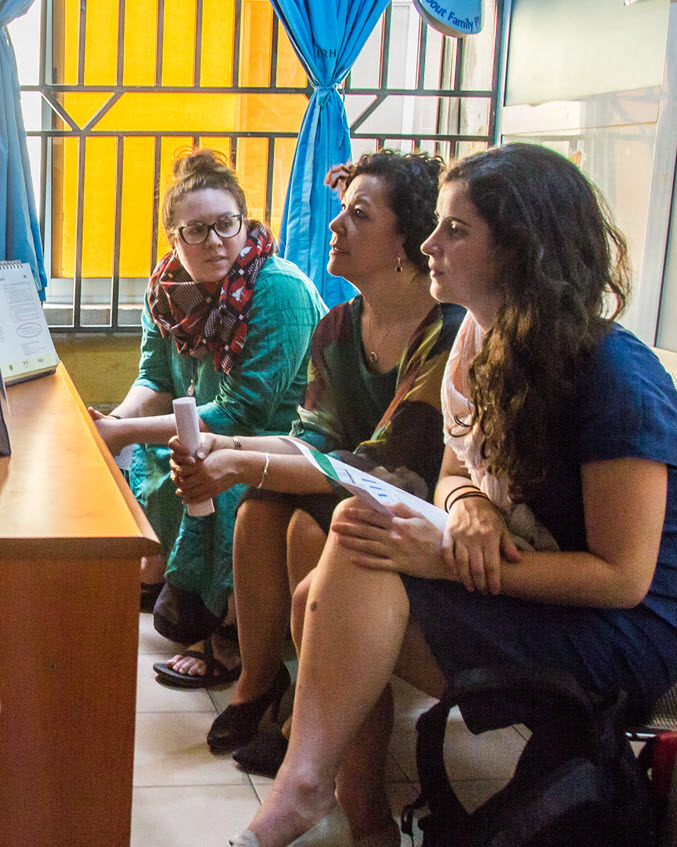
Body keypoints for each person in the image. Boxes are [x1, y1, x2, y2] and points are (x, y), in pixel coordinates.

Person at [177, 142, 677, 847]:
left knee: (360, 558)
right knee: (343, 560)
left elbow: (624, 579)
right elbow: (459, 468)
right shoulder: (479, 340)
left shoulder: (616, 374)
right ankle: (353, 817)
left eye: (454, 230)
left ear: (522, 249)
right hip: (531, 575)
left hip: (622, 629)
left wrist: (448, 555)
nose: (429, 244)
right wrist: (469, 507)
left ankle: (306, 805)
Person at [166, 151, 464, 771]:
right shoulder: (335, 329)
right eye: (341, 211)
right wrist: (227, 453)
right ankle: (256, 681)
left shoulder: (449, 332)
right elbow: (313, 439)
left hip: (411, 506)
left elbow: (387, 467)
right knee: (256, 509)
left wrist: (241, 459)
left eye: (358, 214)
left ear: (408, 239)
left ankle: (312, 714)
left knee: (307, 523)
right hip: (348, 480)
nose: (334, 227)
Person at [91, 148, 325, 677]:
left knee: (213, 473)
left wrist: (120, 431)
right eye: (196, 230)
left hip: (272, 439)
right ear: (173, 238)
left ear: (245, 222)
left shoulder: (277, 291)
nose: (215, 241)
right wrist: (110, 424)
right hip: (208, 426)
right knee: (152, 454)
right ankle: (165, 580)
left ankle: (232, 631)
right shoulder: (168, 292)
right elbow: (154, 378)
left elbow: (242, 412)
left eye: (226, 224)